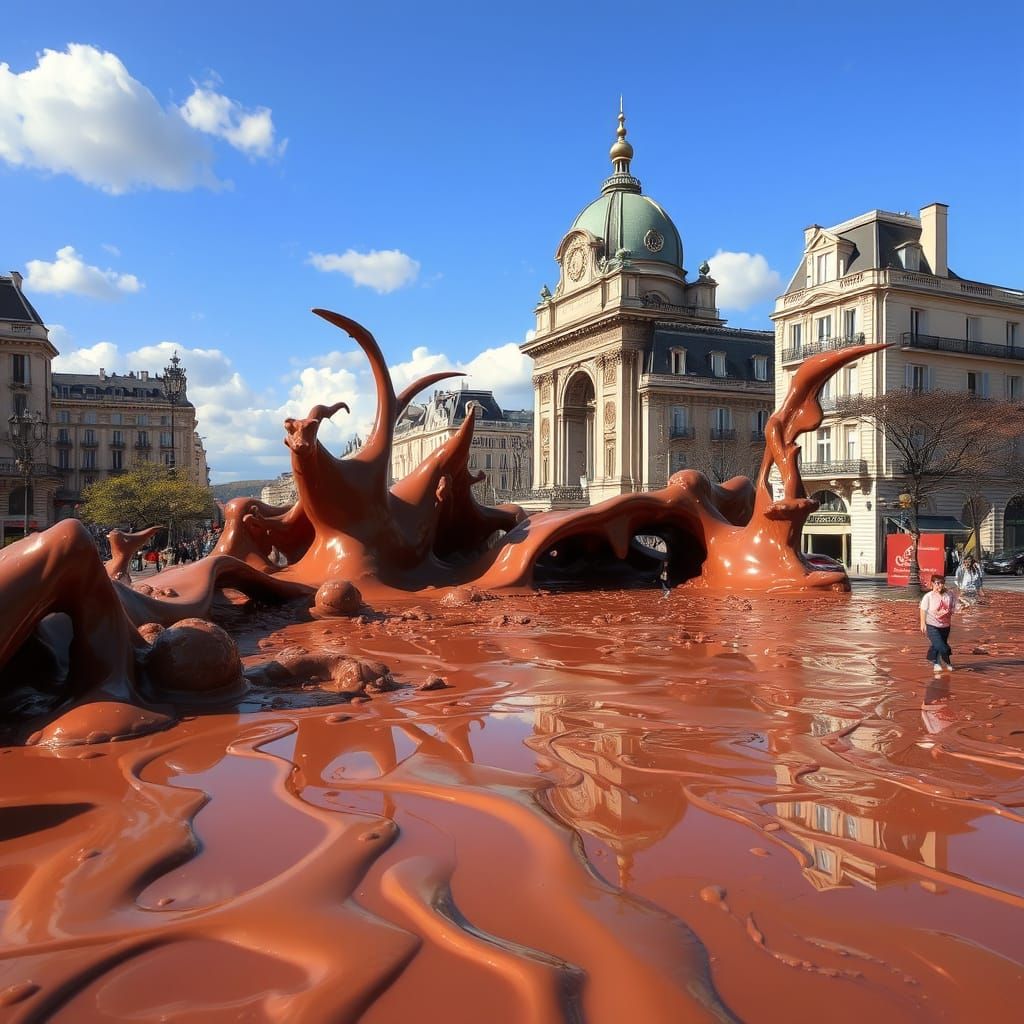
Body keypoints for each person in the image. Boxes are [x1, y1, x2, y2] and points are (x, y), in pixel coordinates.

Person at [919, 573, 958, 673]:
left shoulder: (949, 594)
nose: (939, 585)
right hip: (932, 625)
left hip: (945, 625)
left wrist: (953, 610)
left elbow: (953, 606)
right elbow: (922, 609)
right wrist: (922, 623)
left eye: (942, 583)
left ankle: (939, 662)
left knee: (938, 645)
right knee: (942, 647)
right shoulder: (928, 596)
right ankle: (942, 661)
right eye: (937, 583)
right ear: (932, 584)